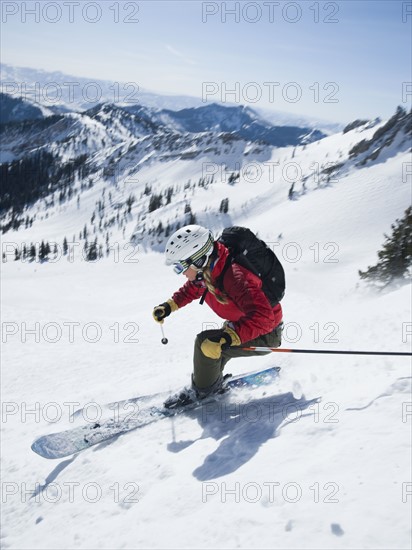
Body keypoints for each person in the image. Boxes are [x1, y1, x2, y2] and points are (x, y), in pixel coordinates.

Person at [152, 224, 283, 408]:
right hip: (244, 325)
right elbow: (193, 289)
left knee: (205, 344)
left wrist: (230, 336)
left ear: (198, 260)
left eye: (181, 266)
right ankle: (210, 382)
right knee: (211, 348)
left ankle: (204, 392)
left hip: (265, 334)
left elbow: (264, 318)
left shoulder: (235, 278)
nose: (181, 272)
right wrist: (169, 306)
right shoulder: (210, 269)